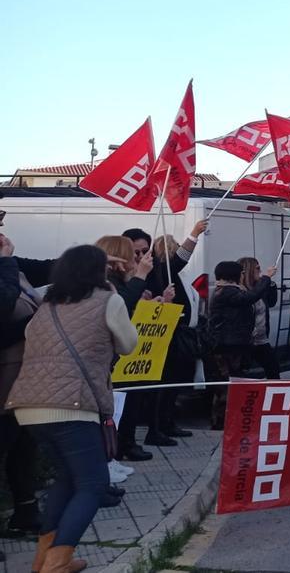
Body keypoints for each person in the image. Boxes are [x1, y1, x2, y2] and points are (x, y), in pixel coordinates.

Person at [7, 244, 138, 573]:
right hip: (72, 406)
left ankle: (44, 558)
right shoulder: (108, 301)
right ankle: (57, 563)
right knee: (93, 485)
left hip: (28, 405)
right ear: (101, 274)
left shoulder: (46, 306)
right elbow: (128, 344)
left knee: (67, 479)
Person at [137, 222, 207, 448]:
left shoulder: (166, 273)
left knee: (172, 383)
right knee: (162, 384)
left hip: (177, 333)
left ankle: (166, 423)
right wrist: (194, 234)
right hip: (162, 335)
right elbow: (180, 259)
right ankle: (156, 427)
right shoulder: (160, 271)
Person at [0, 230, 46, 535]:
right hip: (5, 381)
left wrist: (93, 258)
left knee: (21, 446)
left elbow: (48, 267)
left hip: (20, 381)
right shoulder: (6, 268)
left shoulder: (12, 266)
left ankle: (26, 510)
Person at [95, 235, 156, 462]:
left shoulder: (116, 279)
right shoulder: (106, 282)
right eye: (133, 253)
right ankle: (111, 454)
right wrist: (140, 276)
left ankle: (116, 451)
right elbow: (119, 304)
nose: (137, 258)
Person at [208, 260, 277, 430]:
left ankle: (230, 419)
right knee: (225, 385)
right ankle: (221, 423)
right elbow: (250, 298)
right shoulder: (227, 292)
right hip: (226, 345)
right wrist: (266, 278)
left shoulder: (228, 291)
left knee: (233, 382)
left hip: (234, 344)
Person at [239, 257, 281, 379]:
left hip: (261, 339)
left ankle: (274, 394)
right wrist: (266, 278)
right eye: (257, 268)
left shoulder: (259, 287)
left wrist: (271, 283)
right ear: (248, 270)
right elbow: (251, 297)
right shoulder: (240, 291)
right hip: (246, 340)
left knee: (273, 367)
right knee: (242, 371)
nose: (260, 270)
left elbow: (272, 302)